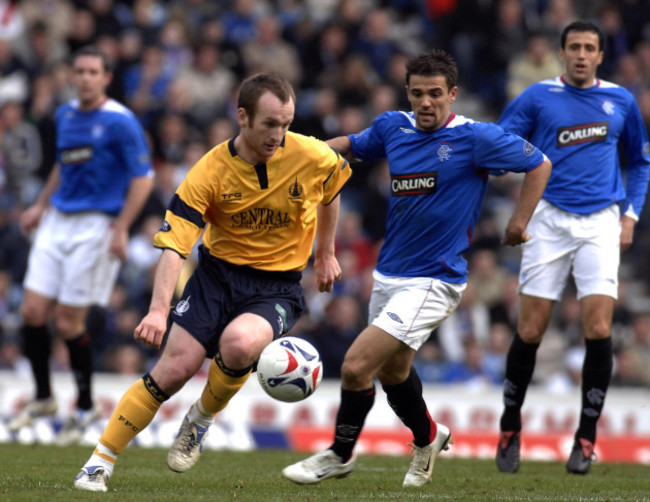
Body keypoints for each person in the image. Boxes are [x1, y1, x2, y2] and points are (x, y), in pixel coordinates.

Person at [282, 50, 551, 488]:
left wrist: (519, 221)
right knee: (393, 373)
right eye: (419, 94)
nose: (427, 103)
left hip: (435, 279)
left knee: (355, 365)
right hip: (389, 274)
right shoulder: (393, 127)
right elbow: (349, 146)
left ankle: (339, 453)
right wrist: (297, 155)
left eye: (436, 94)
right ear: (408, 93)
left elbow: (540, 163)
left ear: (453, 94)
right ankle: (429, 437)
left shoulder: (476, 137)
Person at [73, 72, 352, 492]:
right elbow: (174, 247)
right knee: (172, 370)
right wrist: (157, 308)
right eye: (270, 124)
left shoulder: (311, 155)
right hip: (216, 278)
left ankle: (200, 419)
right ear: (242, 117)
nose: (279, 134)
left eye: (286, 124)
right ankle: (99, 462)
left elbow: (333, 188)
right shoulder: (209, 171)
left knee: (239, 345)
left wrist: (326, 253)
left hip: (276, 286)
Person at [495, 20, 650, 475]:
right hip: (547, 217)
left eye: (590, 48)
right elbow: (501, 142)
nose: (582, 54)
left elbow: (640, 162)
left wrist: (630, 215)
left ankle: (586, 438)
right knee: (530, 330)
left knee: (599, 325)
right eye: (574, 47)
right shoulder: (538, 97)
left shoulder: (621, 100)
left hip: (602, 219)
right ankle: (509, 426)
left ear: (601, 55)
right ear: (561, 54)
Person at [8, 45, 154, 446]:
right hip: (57, 220)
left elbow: (143, 178)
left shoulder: (121, 122)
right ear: (73, 76)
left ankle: (85, 407)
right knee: (33, 311)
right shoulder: (65, 114)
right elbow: (63, 163)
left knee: (69, 322)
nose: (86, 77)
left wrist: (123, 226)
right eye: (80, 71)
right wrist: (40, 205)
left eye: (94, 72)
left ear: (106, 77)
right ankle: (42, 398)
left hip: (97, 225)